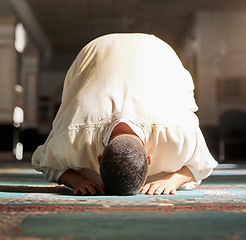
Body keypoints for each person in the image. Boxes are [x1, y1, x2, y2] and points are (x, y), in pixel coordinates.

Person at [32, 33, 218, 196]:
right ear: (148, 159)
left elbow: (204, 165)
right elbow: (201, 165)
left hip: (150, 51)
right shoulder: (71, 134)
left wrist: (170, 182)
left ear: (99, 158)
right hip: (108, 50)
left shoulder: (179, 131)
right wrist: (78, 182)